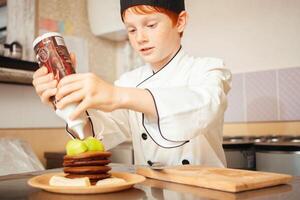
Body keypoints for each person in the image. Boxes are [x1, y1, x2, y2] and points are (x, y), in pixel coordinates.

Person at [32, 0, 231, 167]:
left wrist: (118, 96)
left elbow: (203, 107)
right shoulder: (129, 81)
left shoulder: (208, 69)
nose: (140, 38)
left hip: (206, 192)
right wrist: (65, 100)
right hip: (152, 193)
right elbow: (99, 134)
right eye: (131, 29)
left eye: (151, 25)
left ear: (180, 22)